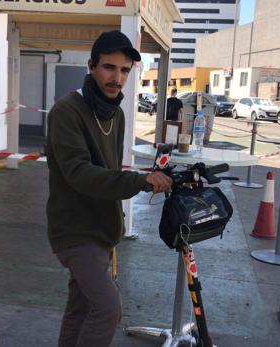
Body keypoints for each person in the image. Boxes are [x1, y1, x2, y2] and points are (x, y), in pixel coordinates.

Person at [45, 30, 173, 347]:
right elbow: (80, 174)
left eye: (125, 70)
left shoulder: (115, 113)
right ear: (91, 66)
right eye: (109, 67)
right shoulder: (66, 111)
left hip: (102, 230)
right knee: (107, 310)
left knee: (80, 309)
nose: (117, 77)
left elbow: (111, 171)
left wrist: (115, 224)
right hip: (75, 231)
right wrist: (141, 180)